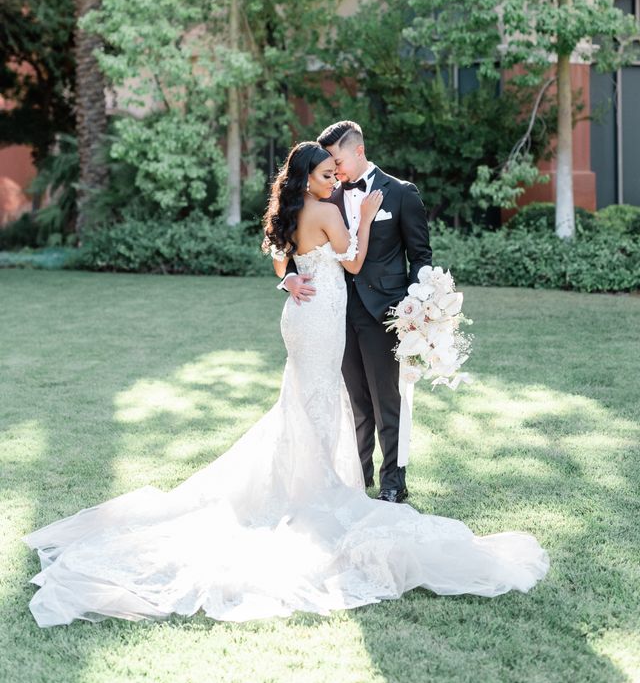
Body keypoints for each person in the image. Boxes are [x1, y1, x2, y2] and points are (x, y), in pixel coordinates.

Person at [24, 141, 548, 628]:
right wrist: (362, 219)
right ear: (309, 177)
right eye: (326, 174)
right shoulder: (323, 209)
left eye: (335, 172)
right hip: (320, 316)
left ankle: (306, 480)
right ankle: (313, 488)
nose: (333, 179)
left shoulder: (290, 209)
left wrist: (289, 276)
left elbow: (278, 253)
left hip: (300, 314)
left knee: (305, 398)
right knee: (318, 399)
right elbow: (356, 260)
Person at [280, 121, 431, 502]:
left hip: (384, 311)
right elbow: (296, 244)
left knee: (387, 401)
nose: (335, 169)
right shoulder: (325, 194)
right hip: (334, 315)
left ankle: (394, 483)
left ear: (358, 151)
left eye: (338, 159)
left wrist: (416, 307)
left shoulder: (399, 194)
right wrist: (288, 280)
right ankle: (357, 479)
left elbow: (421, 257)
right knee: (353, 402)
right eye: (328, 163)